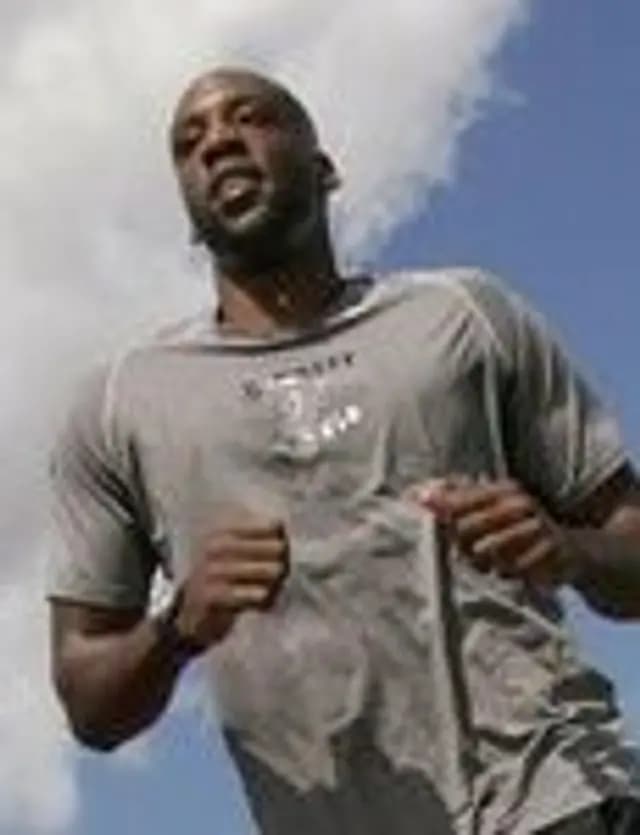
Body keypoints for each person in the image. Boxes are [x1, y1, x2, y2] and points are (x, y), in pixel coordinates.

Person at [48, 67, 640, 835]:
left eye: (250, 118)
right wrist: (178, 625)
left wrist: (567, 548)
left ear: (325, 168)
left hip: (559, 799)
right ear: (191, 216)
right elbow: (89, 703)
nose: (218, 142)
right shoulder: (121, 405)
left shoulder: (465, 314)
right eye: (189, 142)